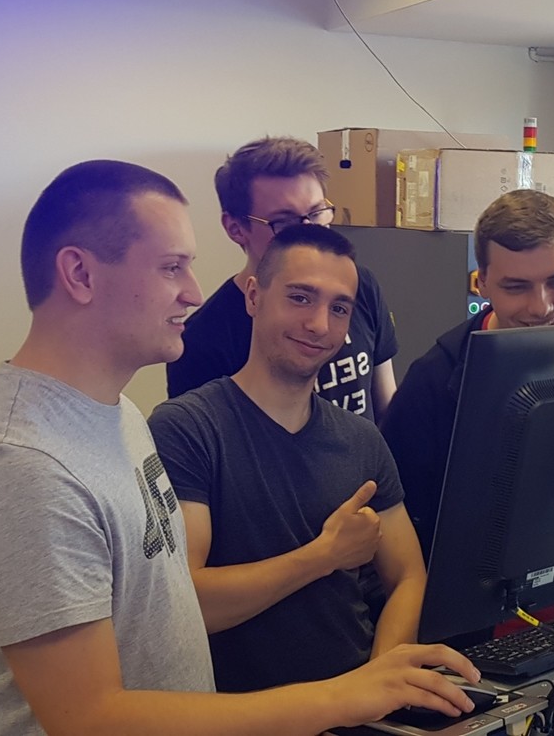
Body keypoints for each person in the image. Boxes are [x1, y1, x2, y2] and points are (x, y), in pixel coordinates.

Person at [0, 160, 479, 736]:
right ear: (80, 274)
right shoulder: (19, 467)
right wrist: (345, 697)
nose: (192, 292)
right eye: (172, 268)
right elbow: (91, 720)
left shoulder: (116, 416)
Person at [149, 225, 426, 693]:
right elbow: (188, 603)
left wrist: (377, 683)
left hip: (355, 707)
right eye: (300, 298)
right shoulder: (186, 430)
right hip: (244, 714)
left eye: (339, 308)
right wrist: (323, 556)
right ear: (254, 296)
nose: (319, 324)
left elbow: (408, 576)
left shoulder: (361, 440)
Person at [381, 189, 554, 551]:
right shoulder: (433, 384)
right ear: (482, 283)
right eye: (516, 287)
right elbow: (403, 520)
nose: (541, 307)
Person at [167, 137, 398, 421]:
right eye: (285, 222)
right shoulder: (202, 342)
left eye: (316, 213)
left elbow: (387, 409)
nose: (309, 233)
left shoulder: (359, 286)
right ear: (236, 228)